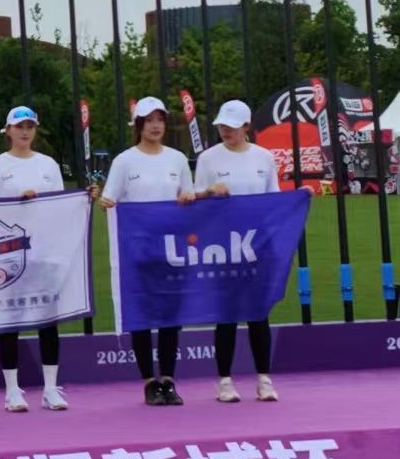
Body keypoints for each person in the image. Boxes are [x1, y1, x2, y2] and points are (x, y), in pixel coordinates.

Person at [97, 95, 196, 406]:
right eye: (149, 120)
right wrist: (105, 202)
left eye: (160, 120)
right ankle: (149, 382)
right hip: (137, 251)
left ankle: (168, 379)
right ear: (138, 125)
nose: (155, 126)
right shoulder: (124, 161)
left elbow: (188, 196)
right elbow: (110, 200)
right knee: (141, 316)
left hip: (171, 250)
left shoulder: (177, 159)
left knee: (170, 317)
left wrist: (190, 198)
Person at [0, 106, 69, 413]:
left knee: (48, 321)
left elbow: (60, 206)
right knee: (10, 321)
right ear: (8, 131)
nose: (25, 132)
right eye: (19, 127)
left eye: (30, 126)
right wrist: (17, 203)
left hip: (44, 251)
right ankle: (12, 390)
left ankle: (50, 388)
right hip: (8, 254)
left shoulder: (48, 164)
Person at [195, 100, 281, 403]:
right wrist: (210, 192)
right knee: (227, 315)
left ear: (246, 127)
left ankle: (264, 379)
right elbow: (196, 198)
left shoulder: (264, 157)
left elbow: (274, 200)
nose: (225, 130)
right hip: (223, 246)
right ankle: (225, 381)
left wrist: (300, 198)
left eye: (231, 126)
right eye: (221, 125)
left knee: (259, 314)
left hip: (256, 246)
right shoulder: (208, 158)